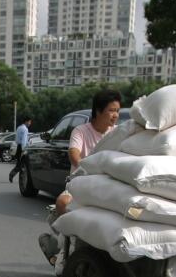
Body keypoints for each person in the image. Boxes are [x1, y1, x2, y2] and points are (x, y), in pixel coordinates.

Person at [37, 90, 122, 266]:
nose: (116, 115)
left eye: (118, 111)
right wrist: (84, 166)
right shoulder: (81, 131)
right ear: (98, 111)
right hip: (80, 182)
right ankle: (64, 244)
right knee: (62, 202)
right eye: (111, 110)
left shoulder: (117, 134)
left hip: (106, 185)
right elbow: (74, 154)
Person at [8, 116, 33, 183]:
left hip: (18, 147)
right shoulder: (25, 129)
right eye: (29, 122)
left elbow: (17, 139)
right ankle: (14, 176)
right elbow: (23, 141)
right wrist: (24, 150)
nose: (30, 123)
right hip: (22, 148)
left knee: (21, 164)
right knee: (22, 165)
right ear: (26, 121)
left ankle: (19, 178)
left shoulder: (19, 127)